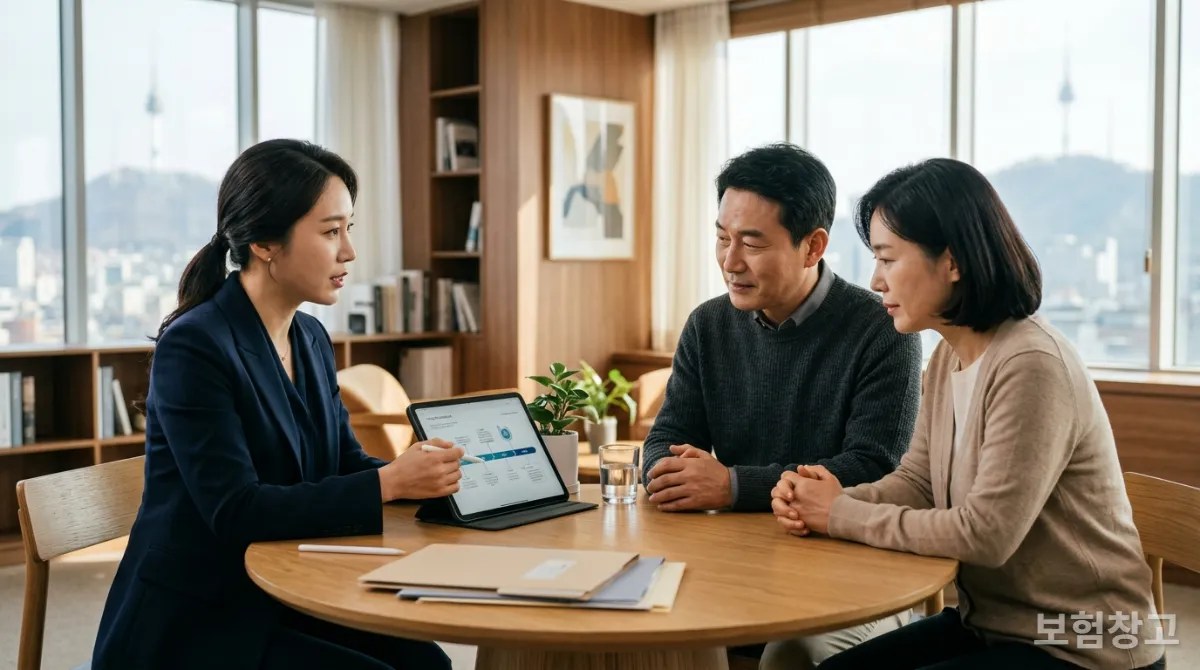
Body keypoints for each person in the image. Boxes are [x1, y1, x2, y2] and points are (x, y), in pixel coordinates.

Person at [772, 157, 1166, 670]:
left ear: (952, 262)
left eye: (888, 259)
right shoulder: (950, 355)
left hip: (1083, 644)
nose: (875, 280)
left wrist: (840, 514)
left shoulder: (1031, 364)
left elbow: (986, 535)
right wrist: (825, 499)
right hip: (994, 624)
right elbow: (917, 480)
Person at [92, 139, 464, 670]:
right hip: (198, 618)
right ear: (267, 242)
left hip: (281, 587)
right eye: (331, 231)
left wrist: (431, 478)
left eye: (349, 229)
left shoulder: (309, 337)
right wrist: (391, 483)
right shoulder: (195, 346)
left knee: (428, 664)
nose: (349, 252)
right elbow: (236, 510)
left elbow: (345, 464)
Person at [639, 143, 924, 669]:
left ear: (813, 245)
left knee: (793, 654)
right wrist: (667, 469)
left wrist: (732, 485)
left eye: (751, 243)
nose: (730, 262)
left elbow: (872, 466)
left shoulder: (881, 328)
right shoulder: (709, 324)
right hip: (731, 557)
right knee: (642, 635)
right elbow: (666, 435)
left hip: (852, 564)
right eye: (722, 239)